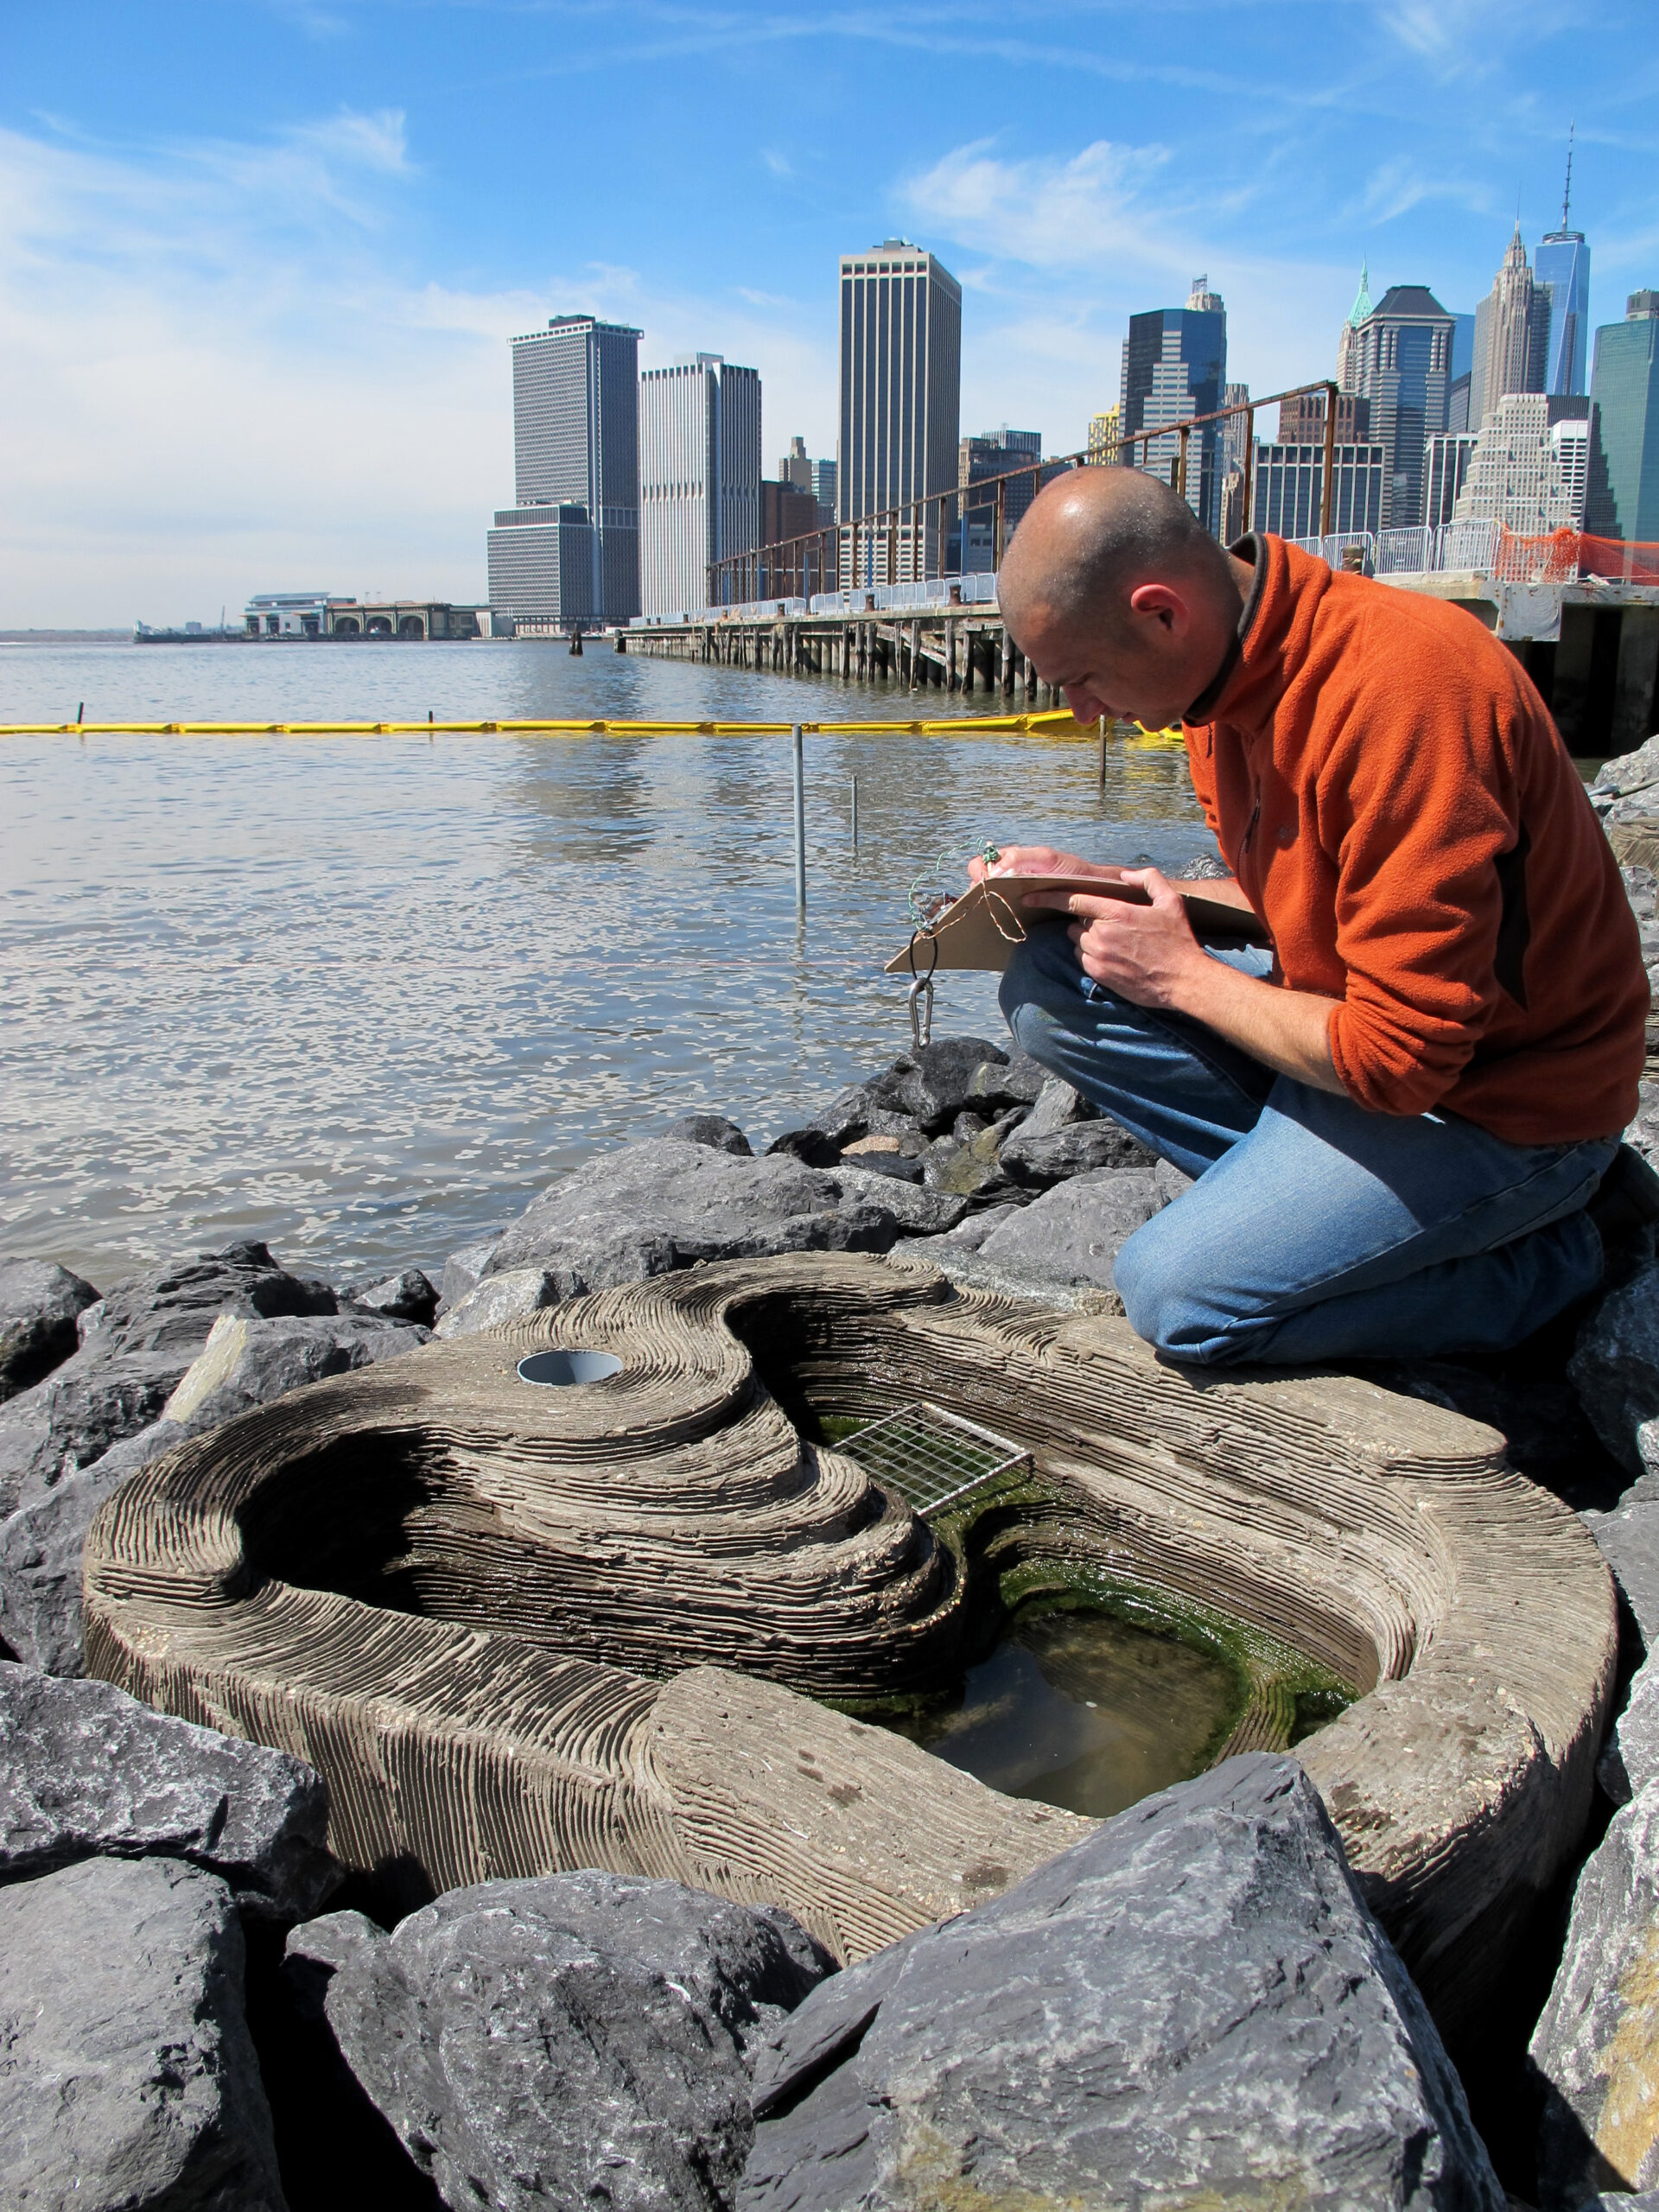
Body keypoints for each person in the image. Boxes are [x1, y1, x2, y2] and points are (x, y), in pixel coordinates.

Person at [976, 467, 1652, 1367]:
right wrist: (1107, 884)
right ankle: (1327, 1214)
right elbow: (1314, 890)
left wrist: (1183, 975)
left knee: (1176, 1298)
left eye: (1086, 677)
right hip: (1350, 1039)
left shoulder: (1407, 694)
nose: (1081, 710)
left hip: (1507, 1103)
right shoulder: (1217, 681)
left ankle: (1558, 1253)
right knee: (1046, 982)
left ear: (1161, 613)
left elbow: (1405, 1059)